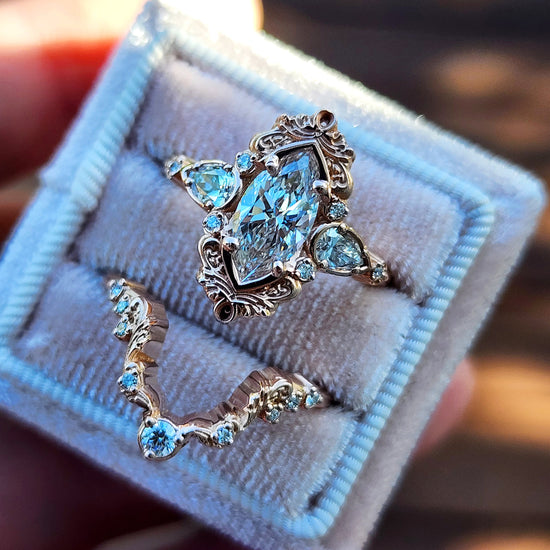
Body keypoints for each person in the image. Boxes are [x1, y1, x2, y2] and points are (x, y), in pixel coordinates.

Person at [0, 1, 474, 548]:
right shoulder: (237, 195)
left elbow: (200, 180)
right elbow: (189, 174)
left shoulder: (312, 234)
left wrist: (371, 271)